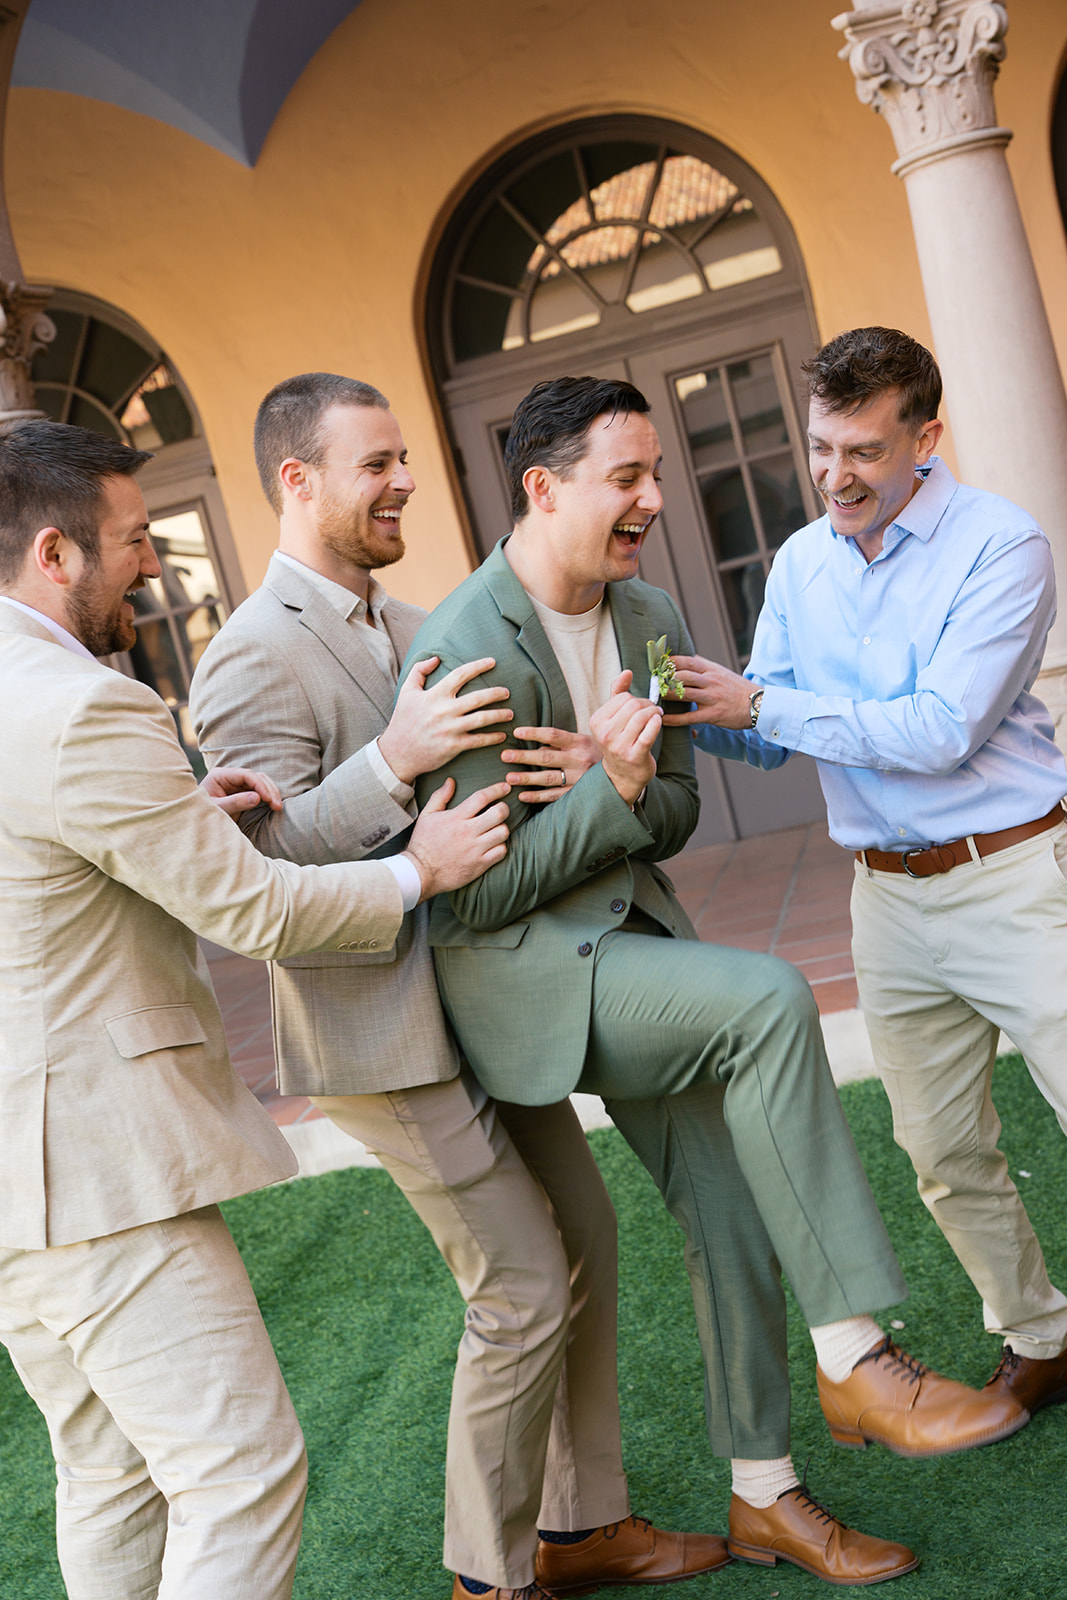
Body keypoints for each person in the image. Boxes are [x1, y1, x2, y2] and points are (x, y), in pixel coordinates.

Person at [404, 374, 1029, 1588]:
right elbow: (471, 894)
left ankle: (764, 1498)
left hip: (630, 950)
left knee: (733, 1217)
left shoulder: (645, 611)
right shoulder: (463, 645)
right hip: (528, 975)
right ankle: (853, 1352)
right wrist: (610, 791)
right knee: (762, 998)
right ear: (542, 486)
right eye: (623, 477)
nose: (652, 497)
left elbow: (681, 802)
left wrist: (624, 781)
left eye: (654, 472)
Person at [190, 372, 726, 1600]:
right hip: (380, 1028)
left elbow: (497, 810)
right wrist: (392, 763)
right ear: (298, 478)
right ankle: (488, 1578)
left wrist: (590, 763)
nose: (403, 482)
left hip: (483, 997)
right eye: (375, 462)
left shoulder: (422, 615)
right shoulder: (247, 653)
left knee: (582, 1233)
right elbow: (252, 873)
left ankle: (584, 1526)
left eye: (401, 460)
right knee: (522, 1284)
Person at [0, 419, 512, 1600]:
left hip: (22, 1182)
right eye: (132, 540)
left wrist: (185, 819)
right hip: (102, 1172)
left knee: (110, 1472)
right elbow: (260, 918)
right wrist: (415, 871)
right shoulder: (88, 708)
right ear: (55, 553)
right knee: (240, 1473)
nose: (155, 564)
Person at [665, 325, 1067, 1424]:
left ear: (924, 437)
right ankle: (1040, 1334)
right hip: (882, 899)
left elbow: (939, 729)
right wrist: (683, 711)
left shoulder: (1002, 544)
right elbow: (767, 726)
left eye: (862, 452)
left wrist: (764, 705)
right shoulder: (799, 562)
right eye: (818, 446)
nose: (833, 475)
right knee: (938, 1148)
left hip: (1017, 875)